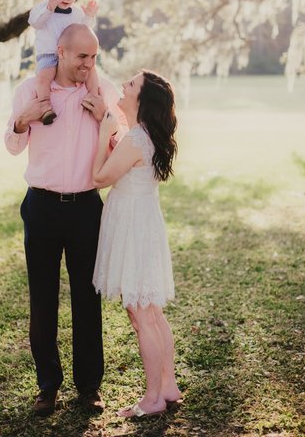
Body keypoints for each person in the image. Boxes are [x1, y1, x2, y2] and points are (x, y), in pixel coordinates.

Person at [4, 24, 125, 417]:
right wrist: (24, 118)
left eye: (94, 57)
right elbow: (11, 143)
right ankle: (47, 386)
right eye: (81, 57)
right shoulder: (31, 90)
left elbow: (121, 142)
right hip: (40, 207)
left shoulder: (101, 89)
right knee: (42, 299)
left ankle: (89, 386)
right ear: (60, 51)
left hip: (87, 207)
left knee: (87, 299)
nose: (89, 65)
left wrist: (105, 116)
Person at [92, 70, 182, 418]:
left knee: (143, 315)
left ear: (141, 101)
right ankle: (168, 385)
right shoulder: (144, 137)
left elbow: (99, 178)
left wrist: (103, 135)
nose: (124, 86)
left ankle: (153, 399)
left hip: (133, 228)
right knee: (151, 312)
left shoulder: (134, 140)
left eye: (131, 85)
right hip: (143, 225)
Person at [28, 0, 99, 125]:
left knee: (91, 71)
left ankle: (93, 97)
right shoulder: (41, 9)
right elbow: (35, 23)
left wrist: (89, 16)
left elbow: (85, 30)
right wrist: (49, 9)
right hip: (49, 55)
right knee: (43, 78)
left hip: (71, 57)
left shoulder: (76, 12)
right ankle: (45, 106)